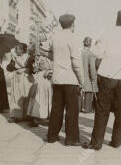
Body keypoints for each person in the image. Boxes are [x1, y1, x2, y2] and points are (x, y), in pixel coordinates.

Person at [83, 10, 121, 150]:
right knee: (120, 110)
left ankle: (96, 143)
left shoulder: (108, 33)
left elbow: (96, 53)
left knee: (102, 110)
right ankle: (117, 141)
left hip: (107, 76)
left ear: (117, 20)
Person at [41, 14, 84, 146]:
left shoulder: (54, 37)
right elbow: (76, 61)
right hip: (70, 79)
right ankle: (71, 139)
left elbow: (42, 49)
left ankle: (52, 136)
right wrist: (81, 79)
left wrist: (55, 57)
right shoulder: (73, 38)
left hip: (57, 78)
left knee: (56, 108)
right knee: (72, 110)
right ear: (72, 24)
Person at [8, 44, 33, 123]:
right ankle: (15, 115)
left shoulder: (27, 57)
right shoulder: (15, 57)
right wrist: (12, 63)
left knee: (24, 95)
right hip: (16, 78)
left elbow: (24, 65)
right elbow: (9, 68)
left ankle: (25, 115)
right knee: (15, 95)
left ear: (22, 50)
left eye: (17, 49)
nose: (15, 51)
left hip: (25, 78)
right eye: (15, 49)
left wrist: (15, 58)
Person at [27, 57, 53, 127]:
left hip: (45, 85)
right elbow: (35, 71)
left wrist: (49, 71)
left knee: (45, 101)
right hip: (38, 85)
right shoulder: (39, 59)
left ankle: (48, 117)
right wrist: (35, 67)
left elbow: (50, 72)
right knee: (37, 100)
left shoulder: (49, 60)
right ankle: (36, 117)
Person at [80, 37, 98, 113]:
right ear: (90, 44)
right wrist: (94, 78)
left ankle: (79, 108)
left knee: (79, 92)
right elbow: (92, 68)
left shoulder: (79, 53)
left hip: (79, 76)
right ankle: (87, 109)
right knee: (88, 91)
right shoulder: (91, 54)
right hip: (87, 77)